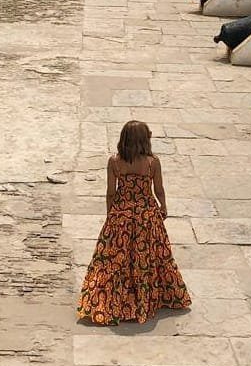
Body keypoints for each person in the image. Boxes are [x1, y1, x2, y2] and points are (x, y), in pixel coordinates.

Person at [77, 120, 191, 325]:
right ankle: (150, 296)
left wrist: (110, 215)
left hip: (121, 214)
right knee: (149, 257)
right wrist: (163, 206)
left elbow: (111, 192)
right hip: (146, 217)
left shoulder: (114, 162)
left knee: (114, 260)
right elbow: (159, 189)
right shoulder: (152, 162)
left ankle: (115, 298)